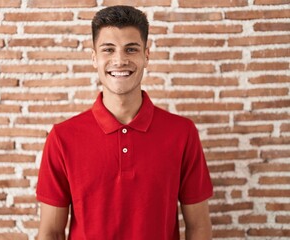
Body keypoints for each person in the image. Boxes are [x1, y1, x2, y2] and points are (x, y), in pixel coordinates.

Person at [36, 5, 213, 240]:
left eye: (131, 49)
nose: (119, 60)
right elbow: (51, 233)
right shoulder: (62, 138)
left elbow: (199, 227)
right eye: (108, 50)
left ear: (146, 56)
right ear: (94, 58)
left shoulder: (182, 133)